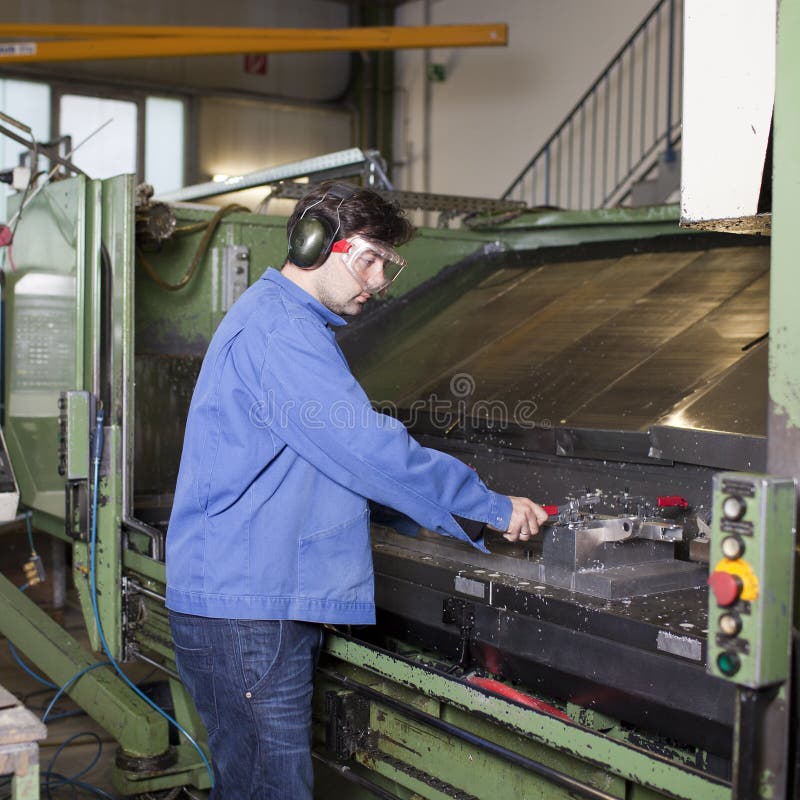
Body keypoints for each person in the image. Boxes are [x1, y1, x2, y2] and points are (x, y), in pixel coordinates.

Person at [165, 181, 548, 799]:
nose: (376, 282)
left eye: (385, 266)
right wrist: (488, 508)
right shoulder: (281, 334)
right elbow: (366, 448)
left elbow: (321, 467)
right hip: (248, 614)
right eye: (368, 259)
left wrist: (412, 518)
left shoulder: (286, 325)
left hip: (251, 601)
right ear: (316, 243)